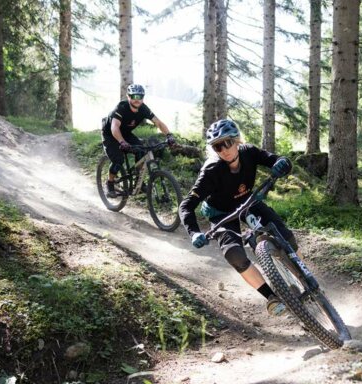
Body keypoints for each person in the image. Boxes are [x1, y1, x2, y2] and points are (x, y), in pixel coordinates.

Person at [179, 118, 294, 316]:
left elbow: (279, 161)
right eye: (217, 146)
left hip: (248, 202)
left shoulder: (249, 152)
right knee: (234, 254)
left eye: (227, 142)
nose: (224, 150)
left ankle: (304, 277)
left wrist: (282, 164)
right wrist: (194, 233)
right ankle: (271, 297)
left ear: (237, 140)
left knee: (287, 237)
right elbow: (186, 205)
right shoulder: (211, 171)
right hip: (222, 213)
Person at [101, 84, 175, 197]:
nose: (137, 99)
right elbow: (114, 127)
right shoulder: (121, 107)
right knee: (118, 160)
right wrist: (122, 142)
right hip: (110, 134)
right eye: (134, 96)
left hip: (126, 133)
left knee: (141, 152)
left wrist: (169, 135)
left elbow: (158, 123)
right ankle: (109, 183)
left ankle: (138, 182)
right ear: (128, 96)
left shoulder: (143, 109)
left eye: (140, 96)